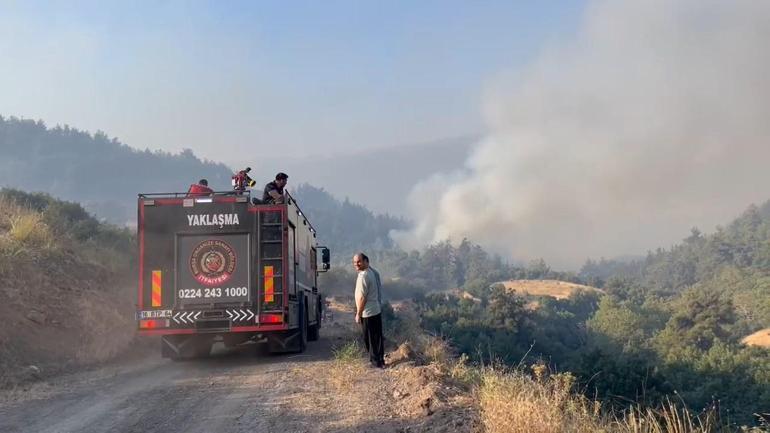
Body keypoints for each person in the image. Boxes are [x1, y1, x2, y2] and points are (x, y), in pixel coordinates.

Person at [353, 252, 385, 368]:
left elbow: (362, 297)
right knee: (377, 337)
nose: (356, 264)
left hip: (367, 312)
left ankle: (375, 362)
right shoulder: (372, 273)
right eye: (354, 262)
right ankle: (380, 360)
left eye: (359, 262)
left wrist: (358, 313)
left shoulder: (364, 276)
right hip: (375, 309)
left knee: (370, 339)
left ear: (366, 261)